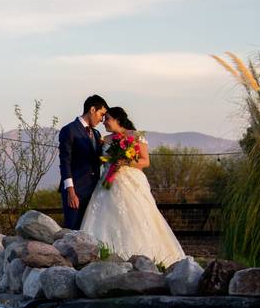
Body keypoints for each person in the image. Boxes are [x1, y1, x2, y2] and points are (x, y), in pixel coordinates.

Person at [79, 106, 185, 266]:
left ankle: (144, 257)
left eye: (107, 119)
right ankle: (103, 256)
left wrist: (125, 161)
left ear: (117, 119)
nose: (104, 122)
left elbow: (145, 161)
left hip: (130, 181)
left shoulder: (135, 136)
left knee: (136, 215)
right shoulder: (105, 139)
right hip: (107, 183)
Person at [58, 94, 108, 229]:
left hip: (94, 191)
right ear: (92, 109)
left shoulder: (96, 134)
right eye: (101, 114)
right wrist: (71, 191)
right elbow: (65, 162)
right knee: (73, 229)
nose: (102, 119)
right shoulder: (69, 130)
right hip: (76, 191)